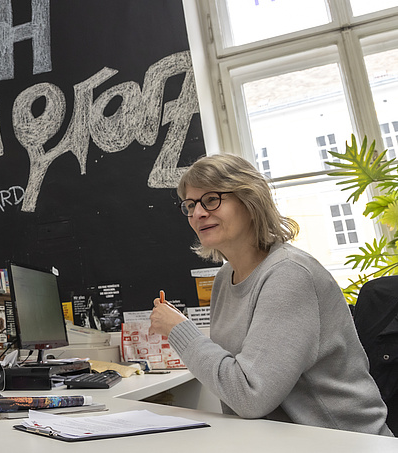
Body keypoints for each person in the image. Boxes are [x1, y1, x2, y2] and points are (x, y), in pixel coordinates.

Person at [149, 153, 392, 436]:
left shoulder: (289, 274)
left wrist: (180, 331)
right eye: (190, 205)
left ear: (249, 200)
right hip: (280, 441)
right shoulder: (224, 280)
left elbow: (250, 396)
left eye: (211, 200)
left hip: (344, 442)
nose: (198, 213)